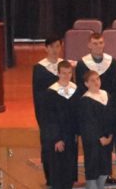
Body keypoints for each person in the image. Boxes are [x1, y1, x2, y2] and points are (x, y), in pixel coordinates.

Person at [37, 61, 79, 189]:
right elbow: (49, 119)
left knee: (69, 173)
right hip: (57, 139)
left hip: (71, 138)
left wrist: (77, 133)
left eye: (69, 73)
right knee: (58, 174)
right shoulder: (51, 93)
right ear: (58, 73)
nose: (67, 76)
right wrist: (57, 139)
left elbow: (77, 114)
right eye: (64, 73)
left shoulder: (75, 90)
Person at [32, 37, 64, 188]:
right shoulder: (40, 68)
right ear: (46, 48)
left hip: (64, 115)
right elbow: (37, 96)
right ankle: (50, 181)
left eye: (57, 46)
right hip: (48, 117)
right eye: (51, 46)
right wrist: (42, 120)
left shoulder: (64, 66)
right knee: (49, 149)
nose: (54, 49)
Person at [79, 71, 116, 189]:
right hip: (93, 141)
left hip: (107, 140)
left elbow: (112, 117)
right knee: (93, 169)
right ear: (86, 83)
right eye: (92, 80)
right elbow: (89, 122)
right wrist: (100, 137)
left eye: (98, 79)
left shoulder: (106, 95)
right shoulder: (85, 100)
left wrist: (110, 135)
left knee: (104, 169)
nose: (96, 82)